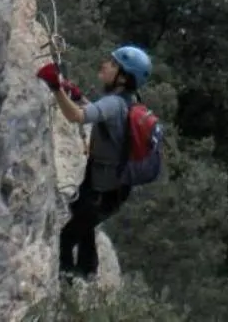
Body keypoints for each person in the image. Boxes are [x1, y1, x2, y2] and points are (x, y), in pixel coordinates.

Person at [36, 45, 153, 281]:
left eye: (112, 63)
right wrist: (78, 97)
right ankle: (89, 270)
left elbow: (76, 117)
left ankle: (67, 282)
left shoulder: (114, 103)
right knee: (83, 219)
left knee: (67, 237)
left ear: (123, 76)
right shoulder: (127, 100)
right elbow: (100, 115)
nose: (105, 64)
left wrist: (55, 87)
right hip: (113, 186)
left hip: (101, 187)